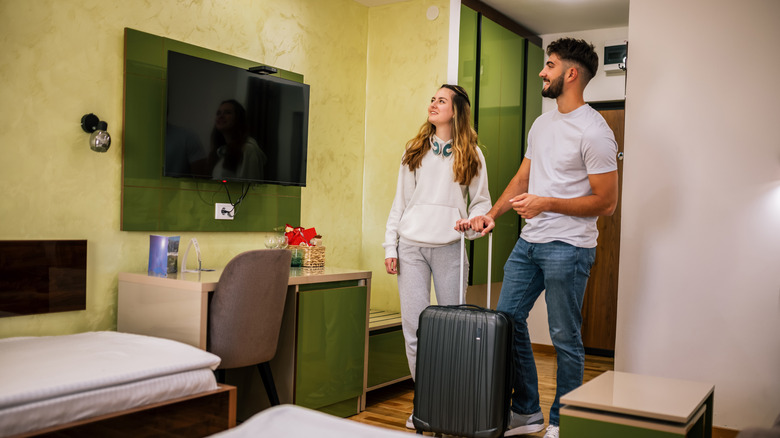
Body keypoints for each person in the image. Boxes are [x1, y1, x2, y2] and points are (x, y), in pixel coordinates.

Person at [465, 38, 618, 438]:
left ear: (571, 73)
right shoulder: (541, 123)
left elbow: (606, 203)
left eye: (549, 65)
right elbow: (523, 178)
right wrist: (490, 215)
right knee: (507, 320)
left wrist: (546, 203)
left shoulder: (595, 132)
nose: (541, 72)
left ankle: (563, 421)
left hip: (569, 248)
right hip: (529, 243)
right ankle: (527, 411)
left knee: (564, 337)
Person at [383, 84, 492, 429]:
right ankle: (426, 404)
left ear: (456, 111)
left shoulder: (472, 155)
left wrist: (473, 224)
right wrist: (390, 246)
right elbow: (400, 203)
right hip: (411, 248)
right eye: (432, 99)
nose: (433, 104)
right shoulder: (414, 150)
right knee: (415, 330)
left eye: (441, 101)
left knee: (454, 331)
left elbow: (481, 204)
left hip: (451, 247)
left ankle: (452, 405)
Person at [209, 99, 267, 181]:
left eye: (227, 112)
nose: (221, 116)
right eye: (218, 113)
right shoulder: (221, 151)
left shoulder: (248, 149)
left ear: (238, 118)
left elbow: (252, 186)